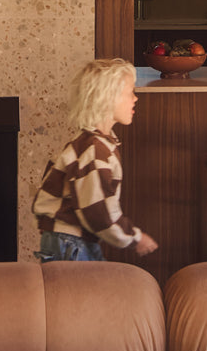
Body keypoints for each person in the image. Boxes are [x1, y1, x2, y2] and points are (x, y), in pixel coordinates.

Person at [33, 58, 158, 261]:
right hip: (72, 243)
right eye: (130, 93)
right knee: (83, 292)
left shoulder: (93, 144)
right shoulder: (94, 150)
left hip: (69, 240)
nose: (135, 99)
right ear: (108, 98)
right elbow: (97, 211)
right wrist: (134, 238)